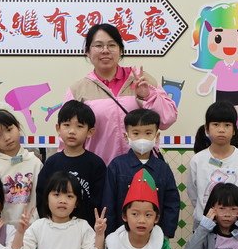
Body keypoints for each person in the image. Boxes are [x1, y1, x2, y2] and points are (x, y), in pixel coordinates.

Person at [65, 23, 178, 165]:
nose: (105, 50)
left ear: (120, 50)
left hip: (142, 168)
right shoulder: (78, 90)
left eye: (112, 45)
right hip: (99, 170)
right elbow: (66, 136)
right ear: (87, 51)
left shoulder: (141, 78)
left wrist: (147, 96)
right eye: (98, 45)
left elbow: (167, 119)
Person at [103, 109, 181, 238]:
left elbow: (172, 203)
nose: (142, 138)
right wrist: (110, 235)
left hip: (154, 237)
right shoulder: (116, 166)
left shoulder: (163, 168)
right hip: (120, 236)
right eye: (136, 133)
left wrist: (166, 235)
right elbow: (108, 203)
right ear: (126, 136)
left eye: (148, 133)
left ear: (156, 136)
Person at [186, 100, 238, 232]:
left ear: (234, 130)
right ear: (207, 129)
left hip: (235, 226)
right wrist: (206, 214)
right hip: (204, 224)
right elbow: (193, 193)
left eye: (227, 125)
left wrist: (234, 214)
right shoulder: (197, 160)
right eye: (216, 124)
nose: (221, 130)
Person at [36, 100, 107, 228]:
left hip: (86, 230)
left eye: (79, 126)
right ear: (58, 128)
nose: (72, 131)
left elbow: (100, 201)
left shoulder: (96, 164)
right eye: (67, 125)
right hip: (54, 227)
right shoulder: (51, 163)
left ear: (90, 132)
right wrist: (48, 223)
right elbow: (41, 196)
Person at [0, 109, 42, 230]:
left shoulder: (34, 162)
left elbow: (42, 199)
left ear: (18, 127)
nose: (7, 138)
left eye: (9, 129)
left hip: (32, 230)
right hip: (1, 232)